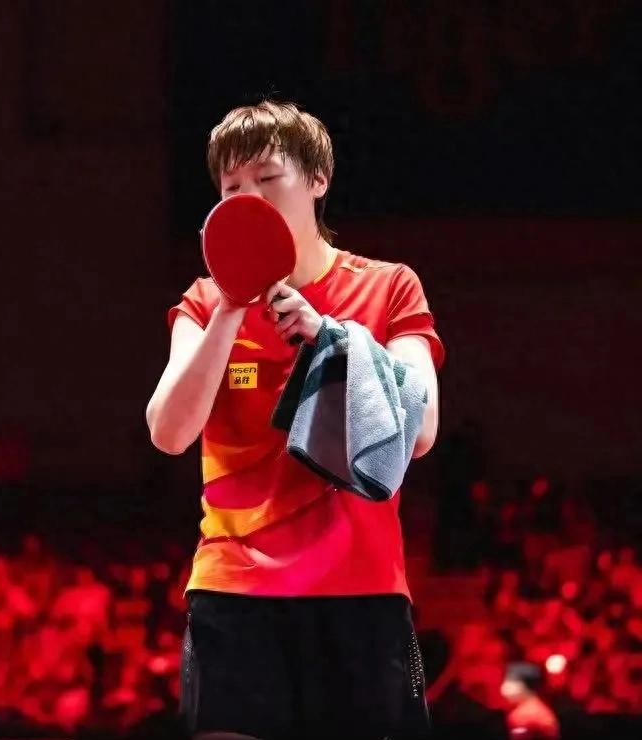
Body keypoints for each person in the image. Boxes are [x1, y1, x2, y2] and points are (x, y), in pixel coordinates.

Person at [146, 100, 444, 739]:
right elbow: (168, 433)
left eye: (267, 178)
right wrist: (231, 307)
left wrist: (331, 336)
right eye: (232, 187)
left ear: (317, 180)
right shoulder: (203, 303)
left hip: (359, 593)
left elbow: (421, 431)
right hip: (236, 593)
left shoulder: (388, 288)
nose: (248, 197)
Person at [501, 662, 560, 739]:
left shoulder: (523, 715)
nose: (504, 689)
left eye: (509, 684)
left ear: (524, 686)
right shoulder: (538, 707)